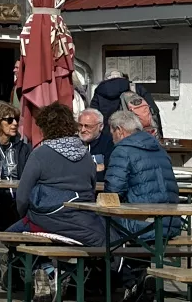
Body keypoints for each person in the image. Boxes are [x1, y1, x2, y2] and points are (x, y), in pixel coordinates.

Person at [13, 101, 108, 248]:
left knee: (10, 236)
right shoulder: (86, 155)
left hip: (49, 218)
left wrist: (25, 216)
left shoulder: (40, 154)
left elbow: (22, 197)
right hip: (85, 222)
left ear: (45, 128)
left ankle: (41, 266)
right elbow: (92, 187)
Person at [107, 108, 181, 244]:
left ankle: (115, 264)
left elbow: (113, 192)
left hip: (142, 226)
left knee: (96, 220)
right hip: (171, 223)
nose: (112, 138)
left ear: (119, 130)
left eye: (112, 133)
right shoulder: (160, 149)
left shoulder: (122, 151)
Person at [89, 71, 164, 140]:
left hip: (108, 137)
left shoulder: (100, 91)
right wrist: (160, 135)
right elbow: (154, 111)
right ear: (123, 77)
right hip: (136, 135)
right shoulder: (135, 88)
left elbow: (93, 117)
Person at [76, 109, 109, 174]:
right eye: (80, 125)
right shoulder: (72, 142)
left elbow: (109, 171)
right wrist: (95, 167)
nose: (83, 130)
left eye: (88, 126)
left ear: (101, 126)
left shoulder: (109, 143)